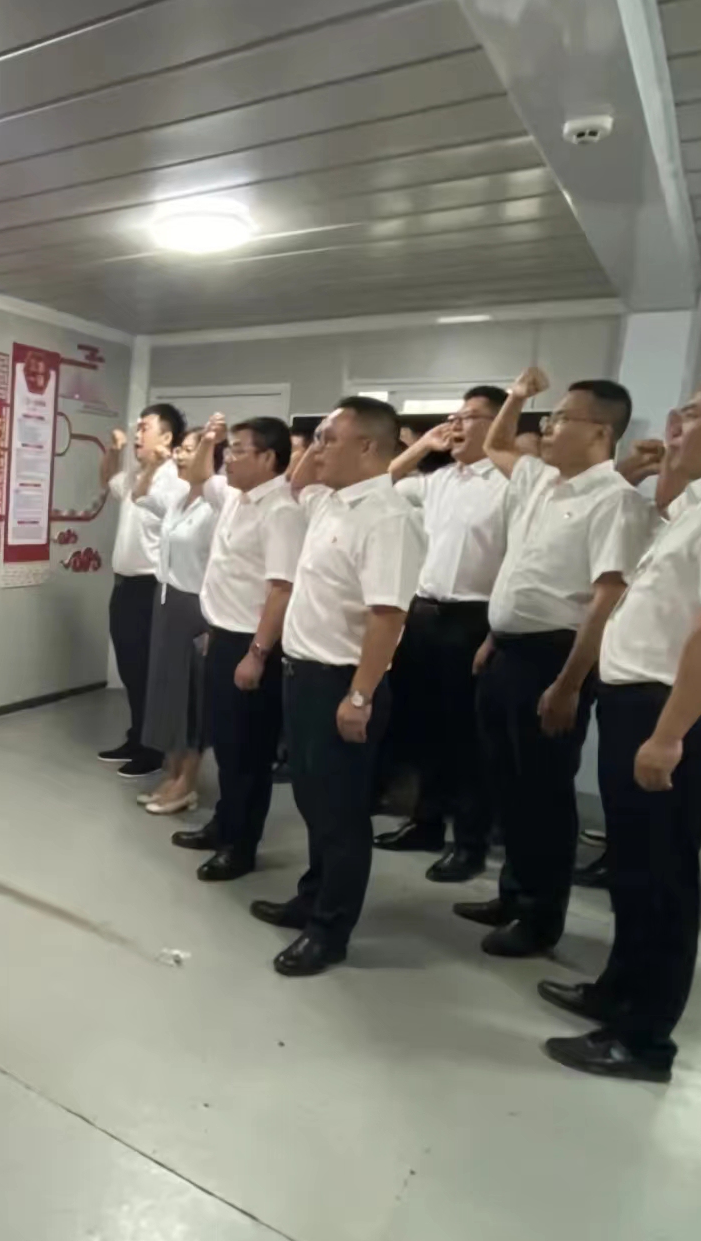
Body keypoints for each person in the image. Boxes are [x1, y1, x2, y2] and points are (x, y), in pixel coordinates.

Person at [538, 373, 701, 1082]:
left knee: (662, 882)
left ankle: (645, 1040)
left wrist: (668, 734)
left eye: (693, 413)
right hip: (641, 704)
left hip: (673, 712)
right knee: (632, 870)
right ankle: (617, 991)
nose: (677, 424)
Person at [465, 368, 650, 957]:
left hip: (553, 660)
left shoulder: (615, 502)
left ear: (601, 433)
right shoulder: (541, 481)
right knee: (507, 783)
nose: (547, 427)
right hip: (508, 651)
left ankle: (541, 918)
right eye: (550, 417)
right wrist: (517, 397)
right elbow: (496, 443)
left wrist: (569, 683)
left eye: (563, 418)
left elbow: (606, 599)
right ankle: (512, 894)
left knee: (543, 794)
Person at [247, 400, 426, 976]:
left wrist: (360, 695)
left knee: (342, 814)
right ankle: (311, 897)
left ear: (369, 447)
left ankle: (330, 930)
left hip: (343, 683)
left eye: (329, 438)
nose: (316, 448)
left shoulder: (388, 518)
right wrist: (325, 431)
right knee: (312, 801)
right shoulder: (329, 501)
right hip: (302, 675)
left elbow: (387, 616)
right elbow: (297, 482)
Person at [374, 386, 511, 882]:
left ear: (498, 425)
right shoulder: (438, 480)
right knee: (425, 726)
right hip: (425, 614)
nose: (457, 424)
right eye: (455, 415)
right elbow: (378, 483)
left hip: (475, 619)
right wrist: (422, 446)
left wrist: (496, 632)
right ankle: (425, 822)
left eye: (470, 416)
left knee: (468, 738)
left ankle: (470, 843)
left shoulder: (510, 485)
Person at [170, 416, 305, 879]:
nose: (228, 458)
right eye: (228, 449)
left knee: (248, 753)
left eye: (238, 450)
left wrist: (258, 653)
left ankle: (241, 846)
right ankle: (223, 824)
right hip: (224, 636)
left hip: (254, 646)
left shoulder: (282, 510)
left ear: (268, 458)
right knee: (227, 746)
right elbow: (197, 475)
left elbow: (281, 589)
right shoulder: (235, 496)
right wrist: (210, 438)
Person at [98, 404, 186, 780]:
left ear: (166, 437)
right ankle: (137, 737)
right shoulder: (137, 474)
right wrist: (114, 450)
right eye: (137, 428)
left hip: (152, 587)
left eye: (145, 428)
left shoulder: (174, 481)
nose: (137, 434)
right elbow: (108, 480)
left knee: (149, 672)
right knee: (131, 668)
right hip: (124, 586)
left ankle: (154, 748)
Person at [139, 429, 219, 815]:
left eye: (190, 450)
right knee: (168, 694)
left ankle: (188, 782)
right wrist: (151, 464)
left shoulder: (217, 507)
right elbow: (139, 495)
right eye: (181, 449)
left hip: (195, 607)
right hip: (166, 602)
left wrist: (214, 624)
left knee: (193, 699)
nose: (181, 456)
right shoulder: (177, 498)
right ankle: (171, 774)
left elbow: (221, 569)